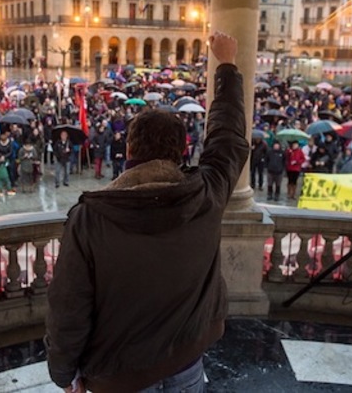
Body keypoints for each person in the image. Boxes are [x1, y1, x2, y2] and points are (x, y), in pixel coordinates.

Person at [46, 31, 249, 392]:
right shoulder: (206, 194)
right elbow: (228, 138)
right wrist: (227, 66)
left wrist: (64, 374)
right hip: (186, 359)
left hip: (119, 377)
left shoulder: (90, 218)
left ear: (128, 149)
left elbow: (69, 308)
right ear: (183, 150)